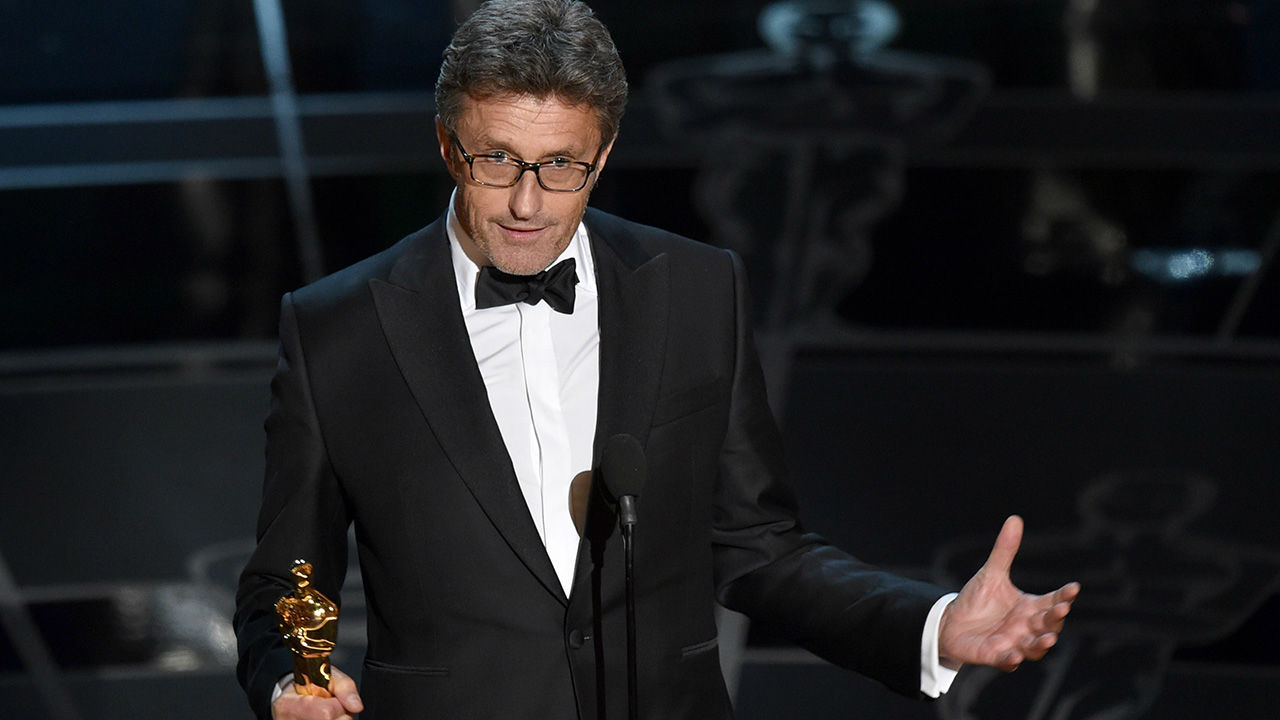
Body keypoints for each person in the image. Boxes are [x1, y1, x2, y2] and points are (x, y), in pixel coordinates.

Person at [233, 1, 1080, 719]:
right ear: (450, 146)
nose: (527, 202)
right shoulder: (337, 327)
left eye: (561, 166)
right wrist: (290, 680)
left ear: (602, 156)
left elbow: (758, 546)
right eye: (497, 161)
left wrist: (931, 626)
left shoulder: (697, 290)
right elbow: (286, 577)